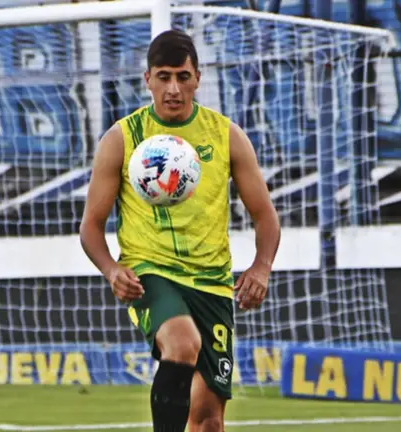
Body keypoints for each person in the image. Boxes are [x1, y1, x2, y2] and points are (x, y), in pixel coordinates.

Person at [79, 29, 281, 432]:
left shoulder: (226, 136)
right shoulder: (122, 139)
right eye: (164, 77)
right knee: (182, 343)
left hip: (212, 282)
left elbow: (265, 216)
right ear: (148, 80)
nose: (173, 88)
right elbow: (90, 227)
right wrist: (112, 269)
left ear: (197, 79)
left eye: (183, 77)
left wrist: (261, 267)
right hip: (151, 272)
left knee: (208, 422)